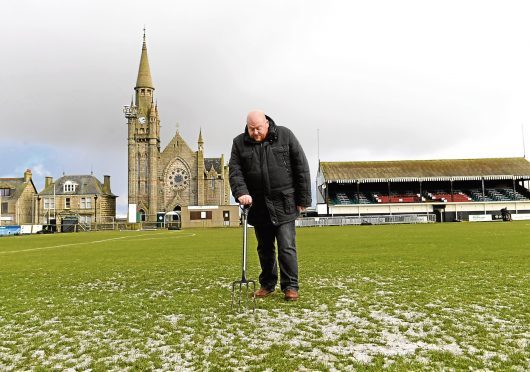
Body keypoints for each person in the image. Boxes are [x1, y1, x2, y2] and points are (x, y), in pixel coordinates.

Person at [229, 110, 311, 301]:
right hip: (258, 205)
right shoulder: (239, 143)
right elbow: (235, 171)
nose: (256, 133)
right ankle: (267, 284)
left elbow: (301, 166)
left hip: (284, 202)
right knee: (264, 248)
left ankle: (290, 286)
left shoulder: (285, 135)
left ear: (267, 123)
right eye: (251, 129)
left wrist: (303, 200)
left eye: (258, 128)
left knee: (286, 247)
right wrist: (241, 192)